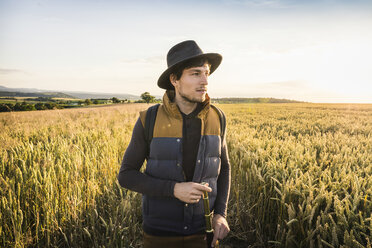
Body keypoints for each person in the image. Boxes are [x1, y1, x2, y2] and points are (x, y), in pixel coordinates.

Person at [117, 40, 231, 248]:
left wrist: (221, 214)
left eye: (206, 73)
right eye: (195, 74)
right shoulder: (149, 119)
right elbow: (126, 175)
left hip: (203, 233)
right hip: (160, 234)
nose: (205, 80)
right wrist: (174, 189)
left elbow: (224, 169)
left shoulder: (218, 117)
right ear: (174, 79)